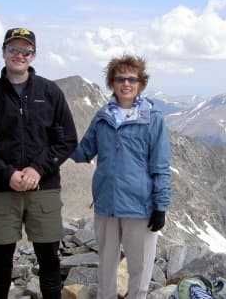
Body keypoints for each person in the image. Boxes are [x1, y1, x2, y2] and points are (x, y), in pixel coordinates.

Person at [0, 27, 78, 299]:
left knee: (49, 257)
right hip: (1, 190)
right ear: (4, 52)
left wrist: (38, 168)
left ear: (33, 54)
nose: (19, 54)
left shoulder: (50, 92)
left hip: (44, 187)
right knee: (2, 256)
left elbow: (67, 140)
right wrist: (7, 174)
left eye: (25, 50)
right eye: (13, 49)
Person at [71, 54, 172, 299]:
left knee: (140, 267)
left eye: (132, 79)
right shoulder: (103, 116)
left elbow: (160, 165)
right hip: (106, 204)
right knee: (106, 265)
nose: (126, 84)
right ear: (112, 83)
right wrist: (57, 134)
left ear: (141, 83)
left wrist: (161, 206)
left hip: (139, 205)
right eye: (120, 79)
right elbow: (83, 152)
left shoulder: (153, 118)